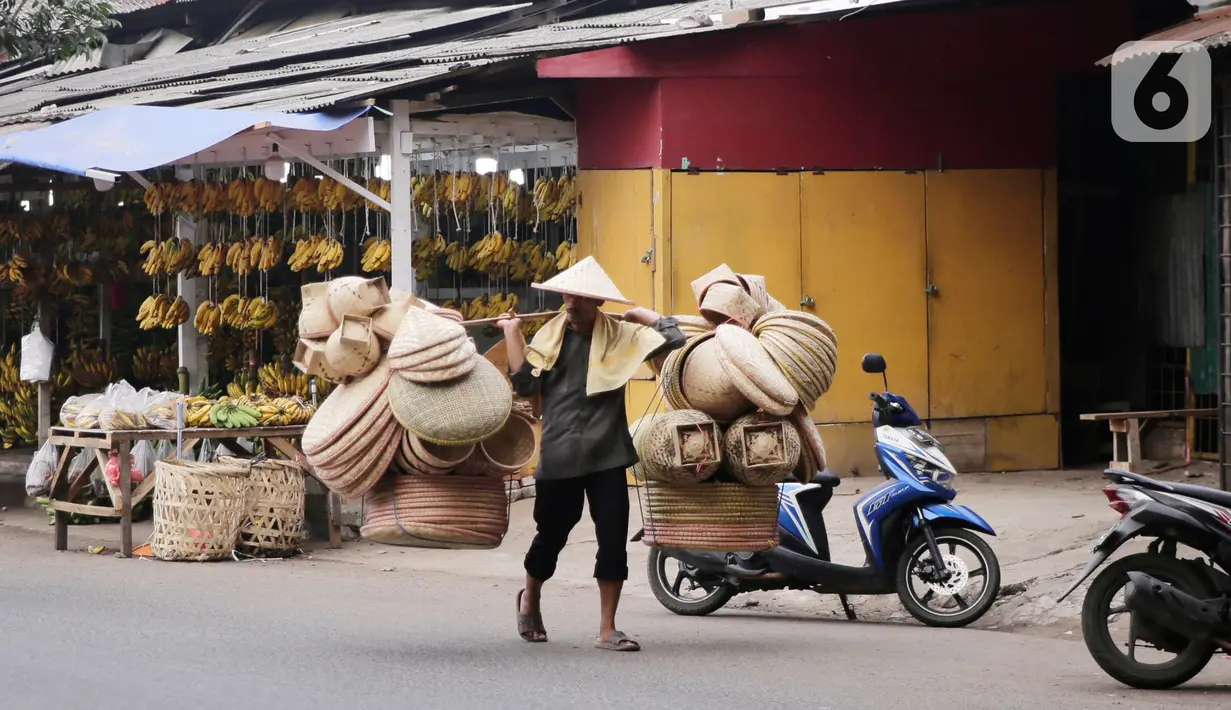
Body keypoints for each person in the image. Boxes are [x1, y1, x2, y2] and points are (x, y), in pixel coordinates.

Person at [496, 256, 685, 652]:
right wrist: (513, 333)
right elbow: (526, 386)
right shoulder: (549, 338)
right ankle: (530, 597)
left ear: (598, 303)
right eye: (568, 299)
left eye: (581, 300)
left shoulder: (621, 335)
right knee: (551, 537)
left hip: (608, 455)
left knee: (613, 539)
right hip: (560, 454)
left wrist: (640, 314)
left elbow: (674, 338)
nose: (572, 306)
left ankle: (608, 628)